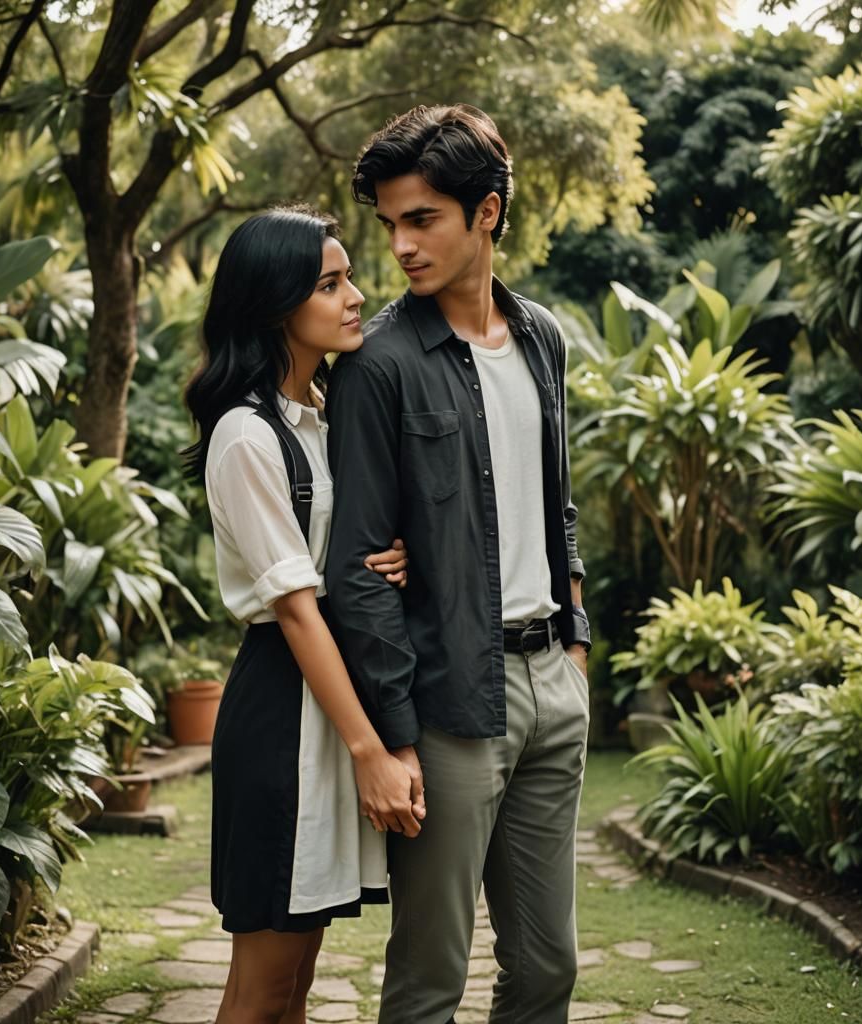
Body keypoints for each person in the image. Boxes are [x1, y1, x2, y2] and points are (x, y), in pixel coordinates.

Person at [324, 105, 592, 1024]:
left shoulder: (545, 340)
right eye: (390, 222)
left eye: (422, 218)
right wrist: (394, 736)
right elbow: (359, 566)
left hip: (552, 686)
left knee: (549, 970)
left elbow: (556, 504)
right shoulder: (379, 365)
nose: (399, 244)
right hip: (448, 705)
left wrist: (576, 647)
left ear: (486, 212)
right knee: (431, 980)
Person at [182, 205, 425, 1024]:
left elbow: (340, 556)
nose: (356, 295)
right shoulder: (246, 437)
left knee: (295, 984)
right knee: (261, 989)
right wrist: (373, 753)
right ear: (276, 301)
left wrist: (399, 555)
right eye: (330, 283)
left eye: (350, 276)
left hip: (326, 704)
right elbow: (294, 608)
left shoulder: (320, 418)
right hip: (285, 713)